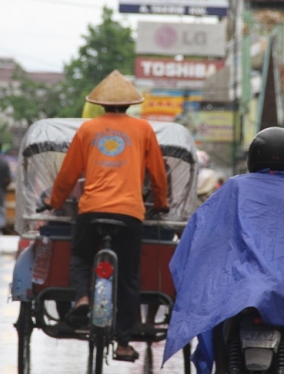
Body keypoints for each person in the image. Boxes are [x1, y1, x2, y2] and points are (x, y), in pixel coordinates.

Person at [163, 127, 284, 374]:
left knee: (215, 315)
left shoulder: (233, 188)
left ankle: (222, 368)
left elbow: (203, 229)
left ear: (253, 157)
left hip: (239, 287)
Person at [45, 70, 169, 363]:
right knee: (128, 277)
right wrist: (161, 202)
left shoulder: (87, 130)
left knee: (81, 257)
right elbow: (158, 175)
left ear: (100, 104)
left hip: (92, 210)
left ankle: (83, 297)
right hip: (130, 214)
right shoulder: (143, 130)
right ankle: (124, 343)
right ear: (129, 105)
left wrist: (55, 201)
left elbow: (68, 173)